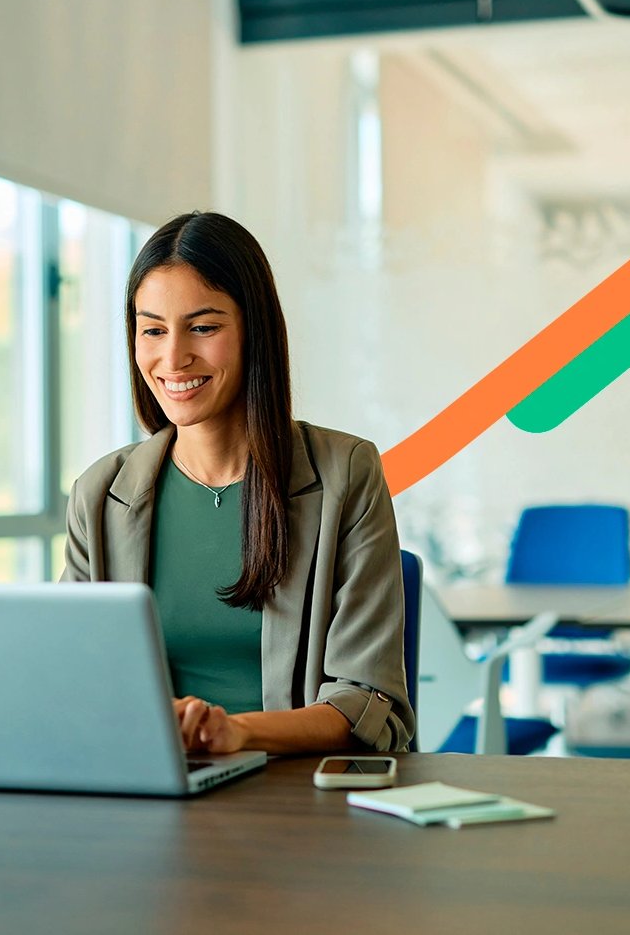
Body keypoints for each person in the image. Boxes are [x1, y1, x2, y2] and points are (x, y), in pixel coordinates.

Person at [60, 211, 413, 755]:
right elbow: (73, 680)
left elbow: (366, 701)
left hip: (299, 801)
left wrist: (236, 732)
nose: (173, 357)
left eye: (203, 327)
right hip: (148, 791)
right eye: (152, 329)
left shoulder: (347, 474)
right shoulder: (100, 494)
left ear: (255, 331)